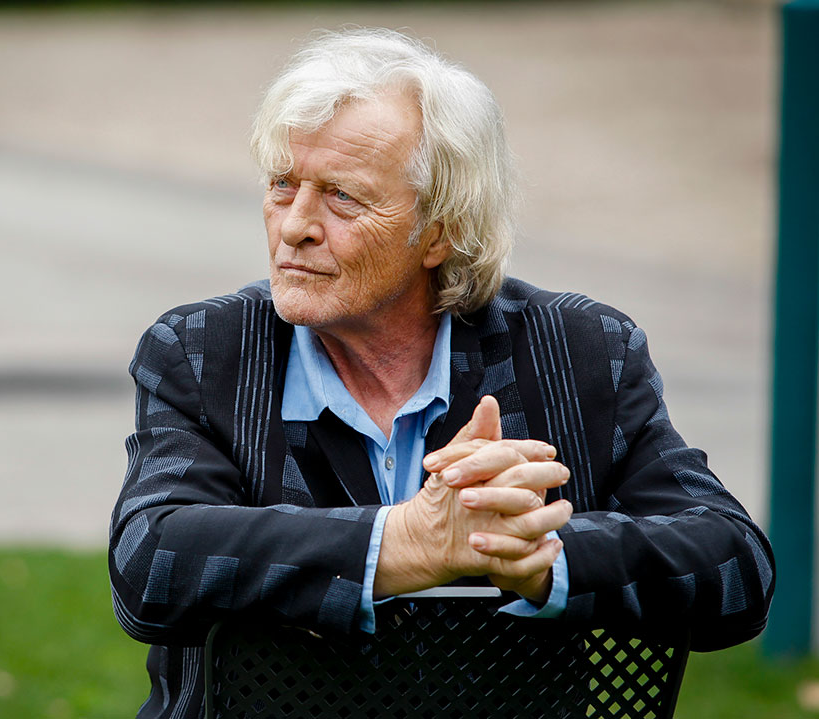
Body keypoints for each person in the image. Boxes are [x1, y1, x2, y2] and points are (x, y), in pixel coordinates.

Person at [109, 28, 774, 719]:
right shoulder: (206, 351)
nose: (294, 225)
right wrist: (406, 541)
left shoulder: (581, 354)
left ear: (440, 231)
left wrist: (539, 554)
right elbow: (150, 559)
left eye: (341, 196)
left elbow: (736, 565)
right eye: (283, 184)